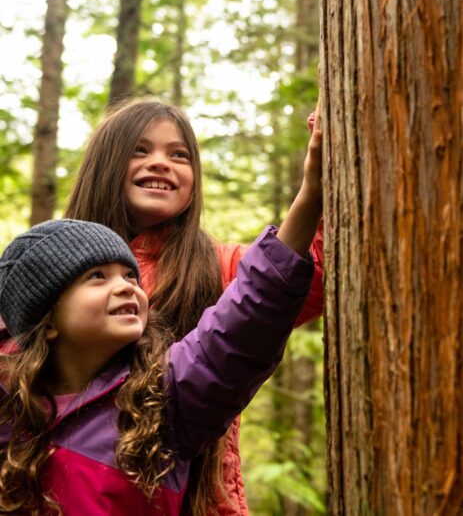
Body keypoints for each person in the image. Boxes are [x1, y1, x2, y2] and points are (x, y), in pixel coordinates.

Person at [62, 97, 323, 514]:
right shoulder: (54, 268)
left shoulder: (221, 267)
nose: (161, 162)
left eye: (178, 154)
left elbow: (297, 276)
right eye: (140, 150)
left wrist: (324, 158)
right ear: (104, 166)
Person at [0, 213, 318, 513]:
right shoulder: (11, 411)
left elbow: (247, 317)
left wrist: (310, 198)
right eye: (97, 276)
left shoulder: (165, 399)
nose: (126, 286)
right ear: (47, 320)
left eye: (129, 276)